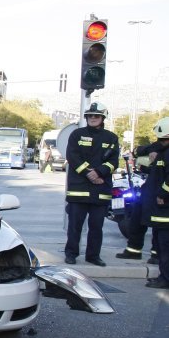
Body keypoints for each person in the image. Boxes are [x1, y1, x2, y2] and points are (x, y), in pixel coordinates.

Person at [63, 103, 119, 266]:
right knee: (75, 226)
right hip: (79, 189)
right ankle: (71, 254)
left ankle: (93, 256)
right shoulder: (77, 134)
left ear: (103, 118)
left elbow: (113, 161)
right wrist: (89, 173)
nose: (93, 118)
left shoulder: (111, 137)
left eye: (96, 116)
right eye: (90, 115)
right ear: (86, 117)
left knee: (96, 227)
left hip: (100, 190)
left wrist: (100, 172)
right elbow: (72, 156)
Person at [147, 118, 169, 288]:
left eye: (162, 140)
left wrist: (163, 193)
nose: (160, 143)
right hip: (162, 210)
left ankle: (165, 279)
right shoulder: (163, 153)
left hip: (166, 210)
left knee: (166, 248)